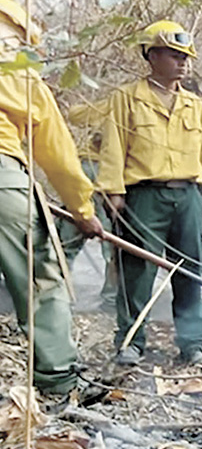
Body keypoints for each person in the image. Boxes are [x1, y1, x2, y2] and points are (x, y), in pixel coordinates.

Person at [97, 20, 202, 368]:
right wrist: (113, 192)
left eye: (185, 57)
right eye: (174, 55)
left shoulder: (195, 105)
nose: (182, 63)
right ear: (151, 55)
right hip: (143, 196)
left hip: (188, 198)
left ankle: (193, 344)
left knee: (191, 269)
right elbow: (113, 148)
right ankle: (131, 343)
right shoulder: (126, 99)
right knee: (137, 270)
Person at [0, 0, 104, 401]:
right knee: (41, 279)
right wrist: (83, 211)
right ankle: (59, 381)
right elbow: (58, 156)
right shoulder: (21, 77)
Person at [57, 97, 117, 310]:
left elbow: (77, 115)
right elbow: (77, 116)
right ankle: (111, 300)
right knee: (113, 243)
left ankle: (56, 295)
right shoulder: (125, 99)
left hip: (96, 171)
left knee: (67, 241)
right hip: (109, 175)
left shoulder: (120, 99)